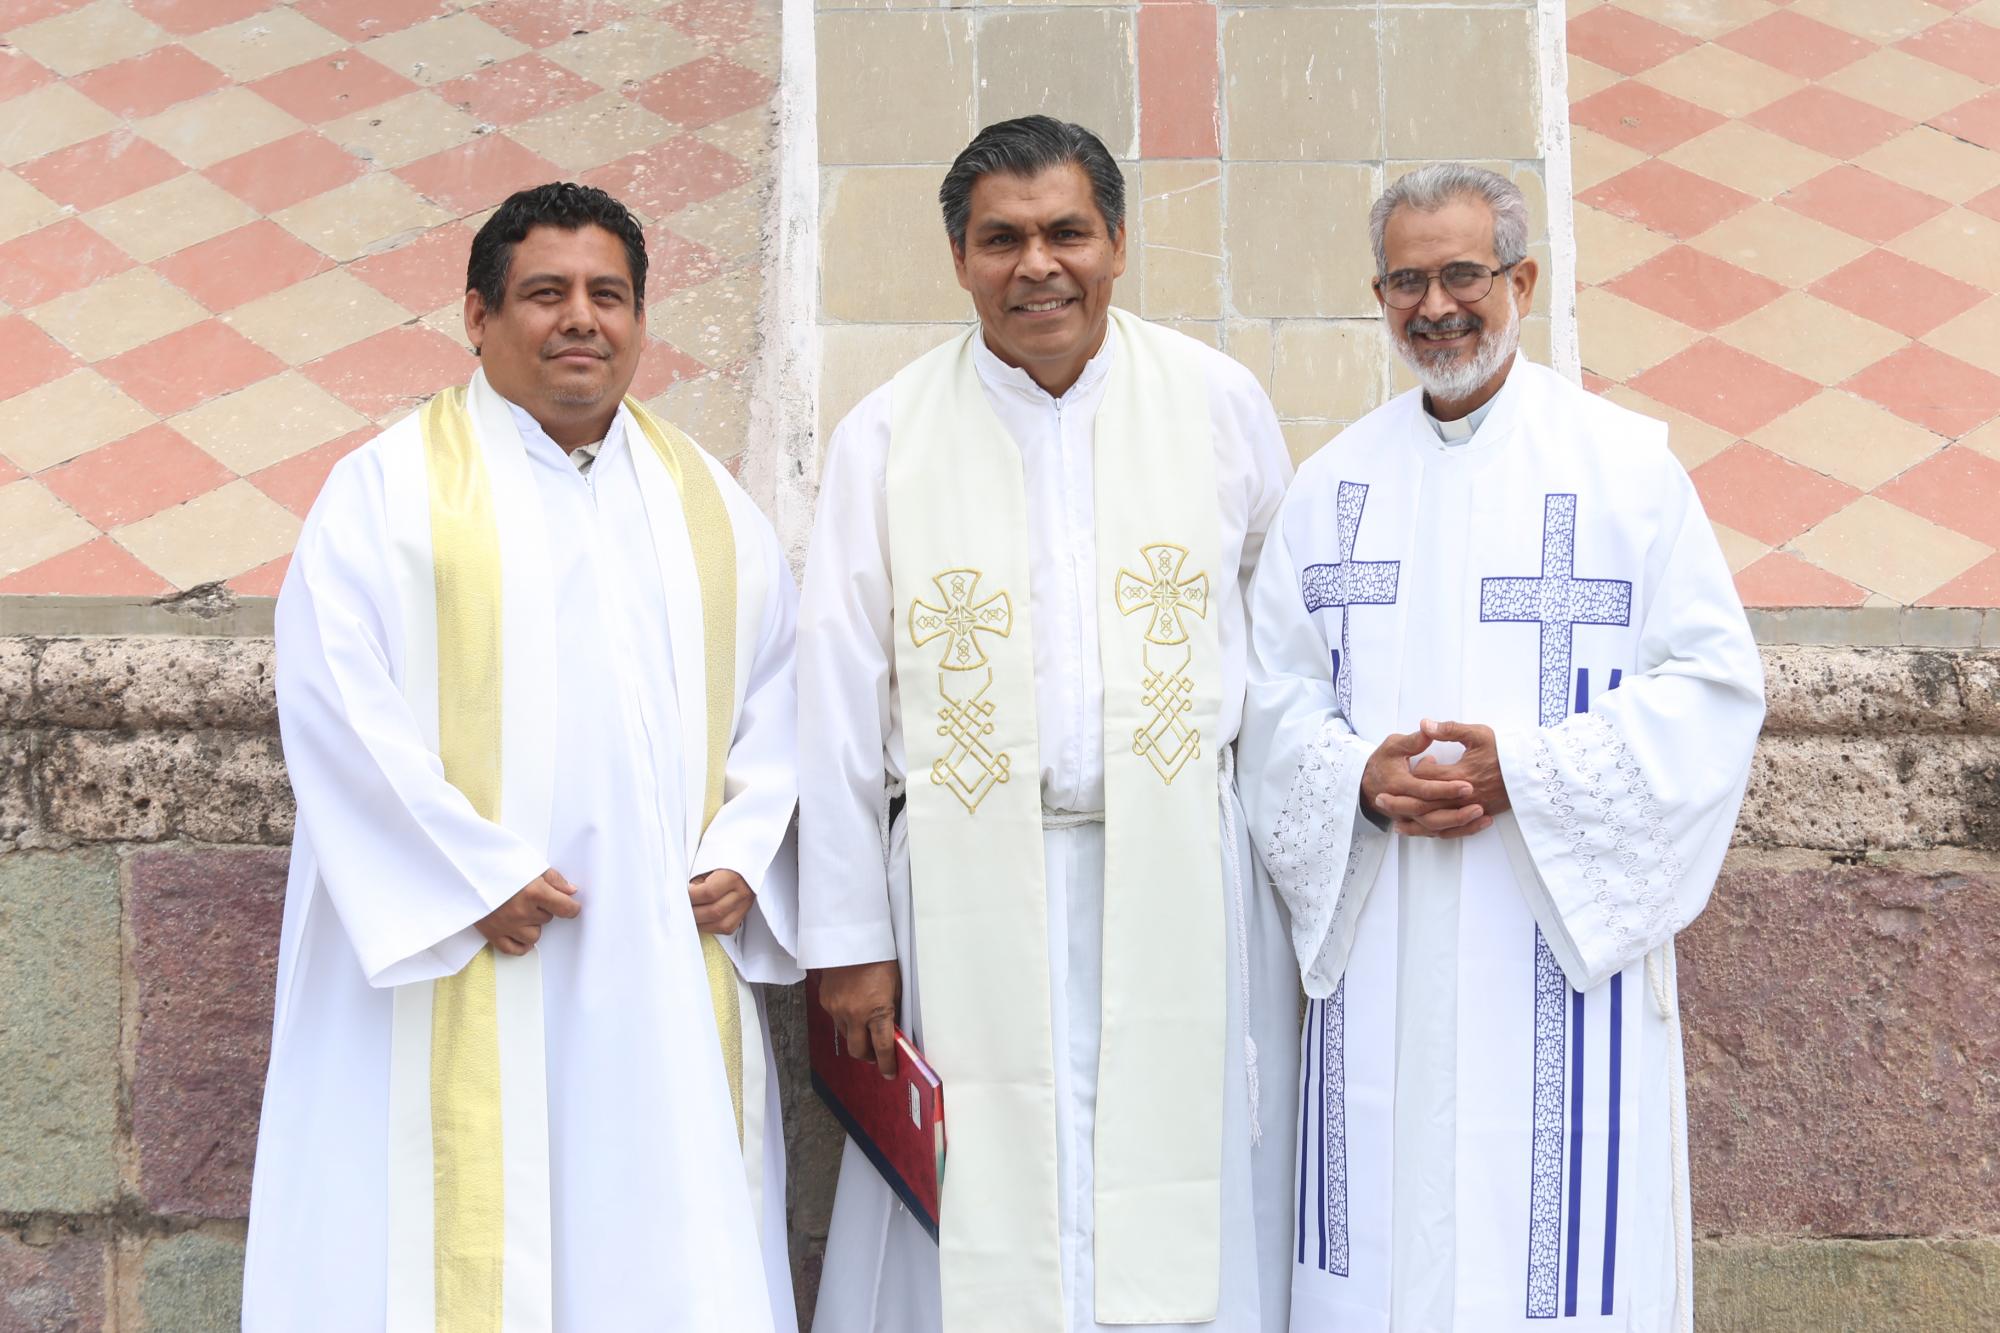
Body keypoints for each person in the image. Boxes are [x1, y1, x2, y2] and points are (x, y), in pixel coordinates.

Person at [243, 183, 802, 1331]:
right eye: (545, 293)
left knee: (648, 1235)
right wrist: (467, 872)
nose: (580, 320)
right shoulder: (387, 492)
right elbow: (334, 696)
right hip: (461, 948)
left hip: (653, 955)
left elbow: (782, 701)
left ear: (642, 322)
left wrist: (747, 848)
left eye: (609, 295)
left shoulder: (712, 509)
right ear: (477, 315)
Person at [1239, 163, 1765, 1333]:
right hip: (1378, 934)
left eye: (1462, 274)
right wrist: (1353, 779)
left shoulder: (1626, 471)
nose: (1435, 306)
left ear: (1520, 280)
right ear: (1376, 294)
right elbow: (1268, 704)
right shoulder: (1329, 490)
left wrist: (1522, 772)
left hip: (1547, 932)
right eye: (1405, 280)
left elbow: (1716, 684)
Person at [797, 116, 1299, 1333]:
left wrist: (1294, 876)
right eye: (1001, 239)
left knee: (1177, 1167)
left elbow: (1282, 649)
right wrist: (850, 937)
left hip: (1182, 865)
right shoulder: (887, 436)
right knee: (980, 1188)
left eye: (1066, 232)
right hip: (964, 887)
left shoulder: (1217, 404)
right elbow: (835, 689)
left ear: (1116, 243)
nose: (1037, 265)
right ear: (957, 259)